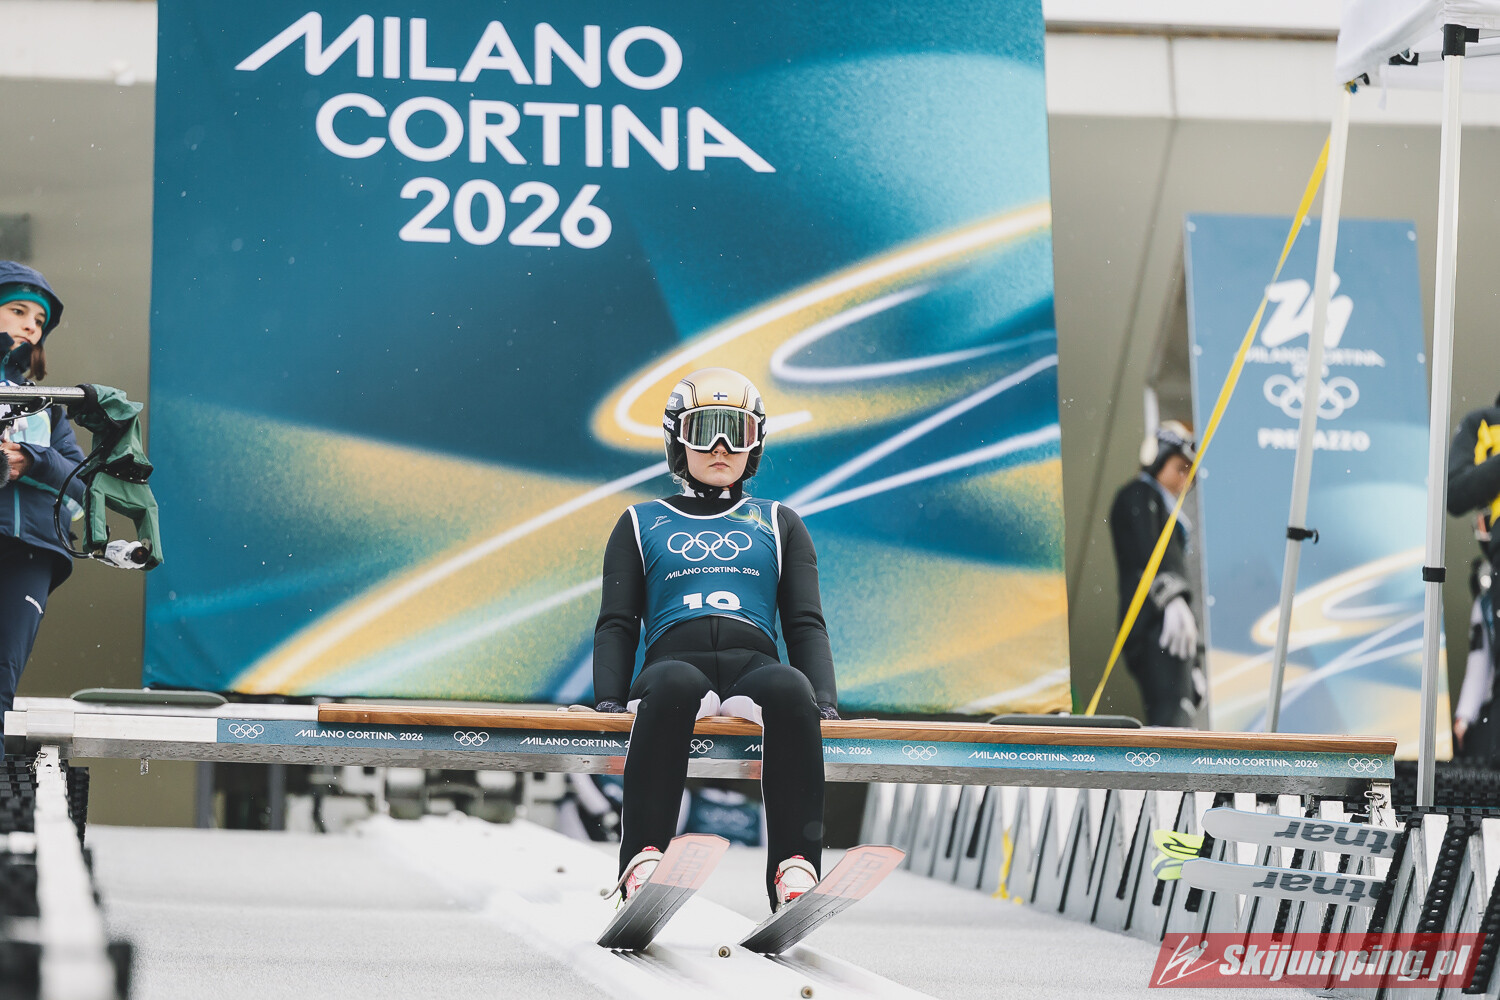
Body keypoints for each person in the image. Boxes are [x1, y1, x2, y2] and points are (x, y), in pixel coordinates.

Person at [592, 367, 837, 911]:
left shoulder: (780, 521)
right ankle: (643, 860)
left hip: (754, 664)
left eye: (737, 431)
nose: (722, 446)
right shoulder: (639, 521)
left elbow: (804, 622)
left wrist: (823, 699)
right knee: (674, 685)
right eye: (705, 431)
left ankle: (795, 868)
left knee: (791, 690)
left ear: (756, 443)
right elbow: (617, 622)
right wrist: (608, 699)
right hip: (673, 662)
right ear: (678, 440)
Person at [0, 261, 85, 731]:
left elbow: (83, 489)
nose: (32, 325)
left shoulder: (48, 407)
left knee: (0, 683)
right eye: (18, 310)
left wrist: (34, 459)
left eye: (39, 320)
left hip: (29, 554)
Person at [1108, 420, 1203, 727]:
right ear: (1158, 459)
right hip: (1155, 622)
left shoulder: (1168, 510)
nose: (1185, 478)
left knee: (1180, 708)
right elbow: (1145, 550)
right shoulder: (1139, 495)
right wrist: (1170, 596)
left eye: (1190, 471)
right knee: (1169, 709)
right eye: (1180, 467)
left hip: (1173, 621)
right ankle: (1165, 759)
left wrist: (1196, 663)